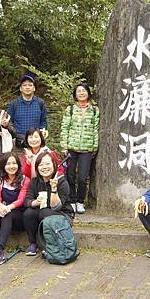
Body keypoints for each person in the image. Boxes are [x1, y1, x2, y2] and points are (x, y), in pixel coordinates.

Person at [23, 151, 74, 256]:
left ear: (54, 165)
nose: (44, 167)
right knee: (29, 213)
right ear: (37, 168)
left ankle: (49, 244)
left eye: (47, 164)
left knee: (44, 213)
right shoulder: (34, 181)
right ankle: (33, 243)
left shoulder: (61, 181)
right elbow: (27, 201)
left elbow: (56, 207)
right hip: (43, 212)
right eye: (41, 165)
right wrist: (35, 202)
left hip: (63, 215)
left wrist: (54, 189)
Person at [60, 82, 99, 214]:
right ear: (75, 95)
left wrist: (94, 146)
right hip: (71, 147)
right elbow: (65, 127)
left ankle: (80, 201)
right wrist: (64, 145)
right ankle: (71, 200)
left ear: (88, 93)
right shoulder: (70, 109)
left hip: (87, 149)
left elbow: (95, 129)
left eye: (84, 91)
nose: (81, 93)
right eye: (79, 91)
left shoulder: (94, 110)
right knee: (70, 175)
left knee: (82, 177)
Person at [7, 74, 48, 148]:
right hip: (19, 142)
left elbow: (43, 121)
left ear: (34, 88)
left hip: (36, 142)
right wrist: (15, 134)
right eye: (24, 85)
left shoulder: (40, 103)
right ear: (20, 88)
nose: (27, 87)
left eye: (30, 85)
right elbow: (9, 122)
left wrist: (43, 132)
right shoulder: (14, 104)